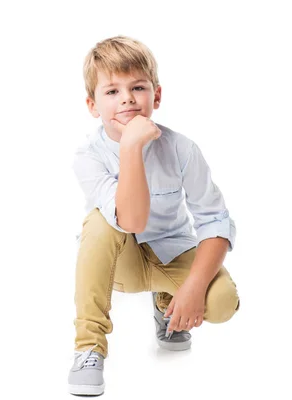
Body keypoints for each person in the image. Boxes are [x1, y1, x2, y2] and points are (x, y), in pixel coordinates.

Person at [68, 35, 241, 396]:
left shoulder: (181, 148)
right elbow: (129, 221)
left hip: (172, 250)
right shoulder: (89, 156)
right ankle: (89, 347)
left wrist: (193, 287)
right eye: (112, 91)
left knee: (224, 302)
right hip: (121, 261)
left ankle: (168, 301)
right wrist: (131, 144)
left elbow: (214, 219)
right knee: (100, 224)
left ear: (156, 96)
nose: (127, 98)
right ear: (92, 104)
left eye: (138, 87)